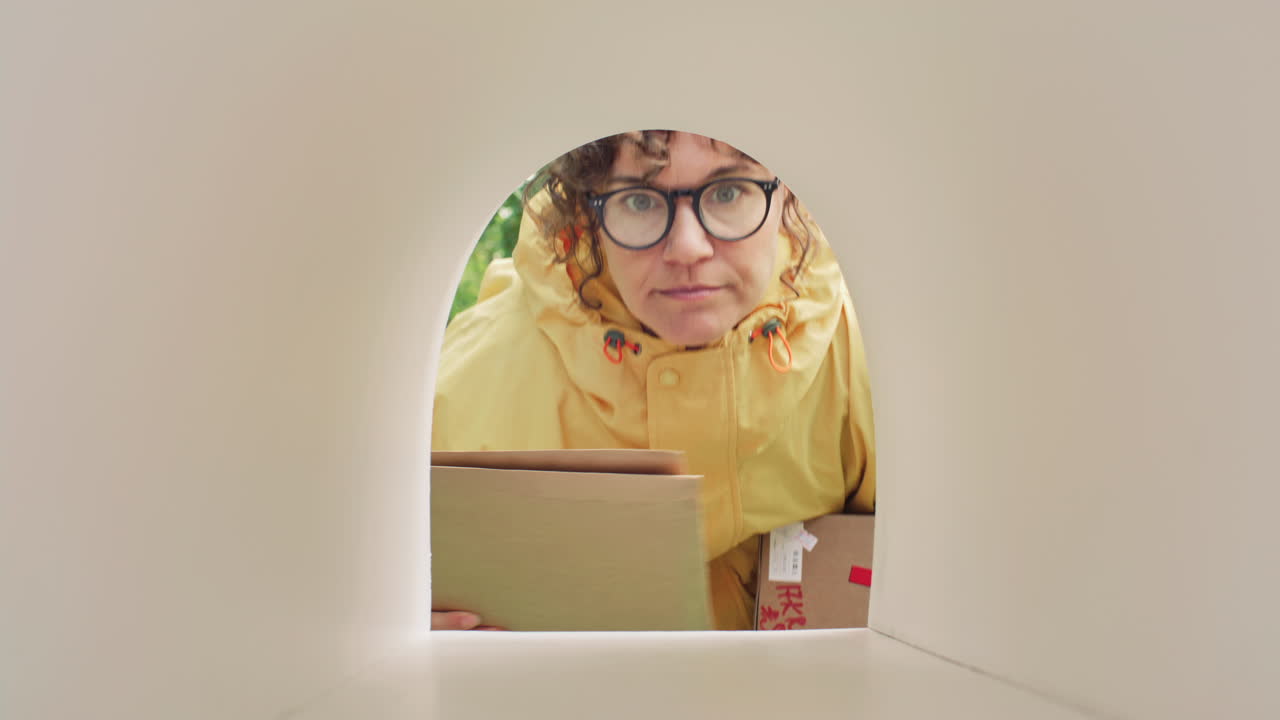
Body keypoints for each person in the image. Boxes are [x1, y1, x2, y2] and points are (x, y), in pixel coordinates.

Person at [431, 130, 875, 631]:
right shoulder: (467, 386)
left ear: (785, 195)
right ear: (587, 211)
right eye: (639, 200)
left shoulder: (868, 355)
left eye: (727, 192)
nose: (687, 248)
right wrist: (405, 622)